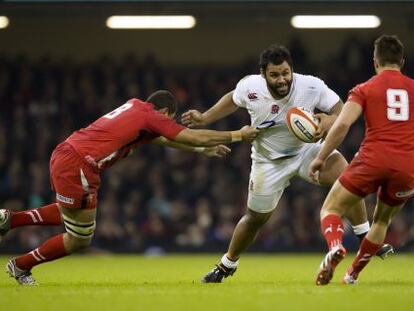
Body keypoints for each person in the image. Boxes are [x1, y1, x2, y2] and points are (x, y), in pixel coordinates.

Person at [0, 90, 259, 285]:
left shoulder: (135, 107)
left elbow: (162, 140)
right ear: (166, 112)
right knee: (80, 237)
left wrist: (202, 149)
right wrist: (237, 134)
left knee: (72, 214)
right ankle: (20, 265)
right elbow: (186, 135)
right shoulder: (153, 116)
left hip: (69, 153)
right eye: (169, 120)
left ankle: (9, 221)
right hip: (80, 164)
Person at [181, 44, 393, 283]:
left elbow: (341, 109)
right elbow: (233, 98)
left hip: (305, 151)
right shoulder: (250, 86)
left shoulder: (311, 85)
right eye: (274, 75)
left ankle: (365, 234)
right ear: (263, 75)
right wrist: (205, 117)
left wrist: (329, 121)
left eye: (285, 73)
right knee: (255, 218)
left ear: (292, 69)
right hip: (267, 162)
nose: (282, 79)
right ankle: (226, 265)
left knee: (346, 175)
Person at [309, 34, 414, 285]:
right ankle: (352, 275)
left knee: (331, 208)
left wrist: (320, 157)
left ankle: (335, 247)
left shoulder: (364, 88)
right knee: (382, 220)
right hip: (407, 165)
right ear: (402, 61)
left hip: (373, 159)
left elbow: (343, 124)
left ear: (375, 62)